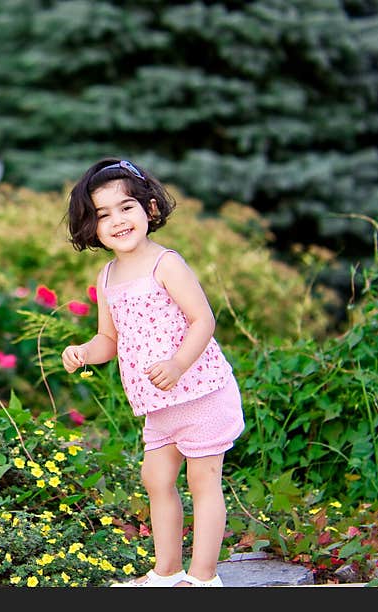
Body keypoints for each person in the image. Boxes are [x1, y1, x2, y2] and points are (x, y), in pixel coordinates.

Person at [61, 158, 244, 587]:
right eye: (103, 214)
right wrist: (85, 351)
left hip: (201, 393)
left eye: (127, 207)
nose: (118, 220)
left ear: (150, 209)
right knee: (156, 478)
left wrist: (179, 363)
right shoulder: (107, 276)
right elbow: (109, 339)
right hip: (158, 405)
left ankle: (202, 578)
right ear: (91, 227)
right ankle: (166, 572)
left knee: (203, 480)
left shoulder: (167, 264)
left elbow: (203, 320)